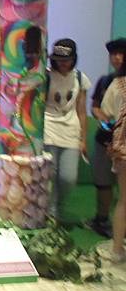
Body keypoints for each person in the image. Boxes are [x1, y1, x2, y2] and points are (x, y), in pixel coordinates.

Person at [44, 39, 91, 221]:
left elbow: (82, 110)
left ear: (74, 59)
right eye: (58, 60)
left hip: (71, 130)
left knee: (68, 177)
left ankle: (58, 204)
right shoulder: (46, 75)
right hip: (49, 127)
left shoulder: (80, 78)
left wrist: (83, 139)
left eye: (66, 60)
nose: (62, 63)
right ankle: (51, 211)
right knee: (50, 173)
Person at [88, 38, 126, 237]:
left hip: (123, 146)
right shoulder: (105, 81)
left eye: (121, 53)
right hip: (104, 140)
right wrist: (103, 119)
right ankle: (101, 219)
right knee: (103, 183)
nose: (117, 58)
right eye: (113, 54)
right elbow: (95, 106)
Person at [101, 59, 126, 263]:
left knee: (124, 200)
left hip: (122, 150)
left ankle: (117, 250)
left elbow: (106, 114)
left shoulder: (117, 84)